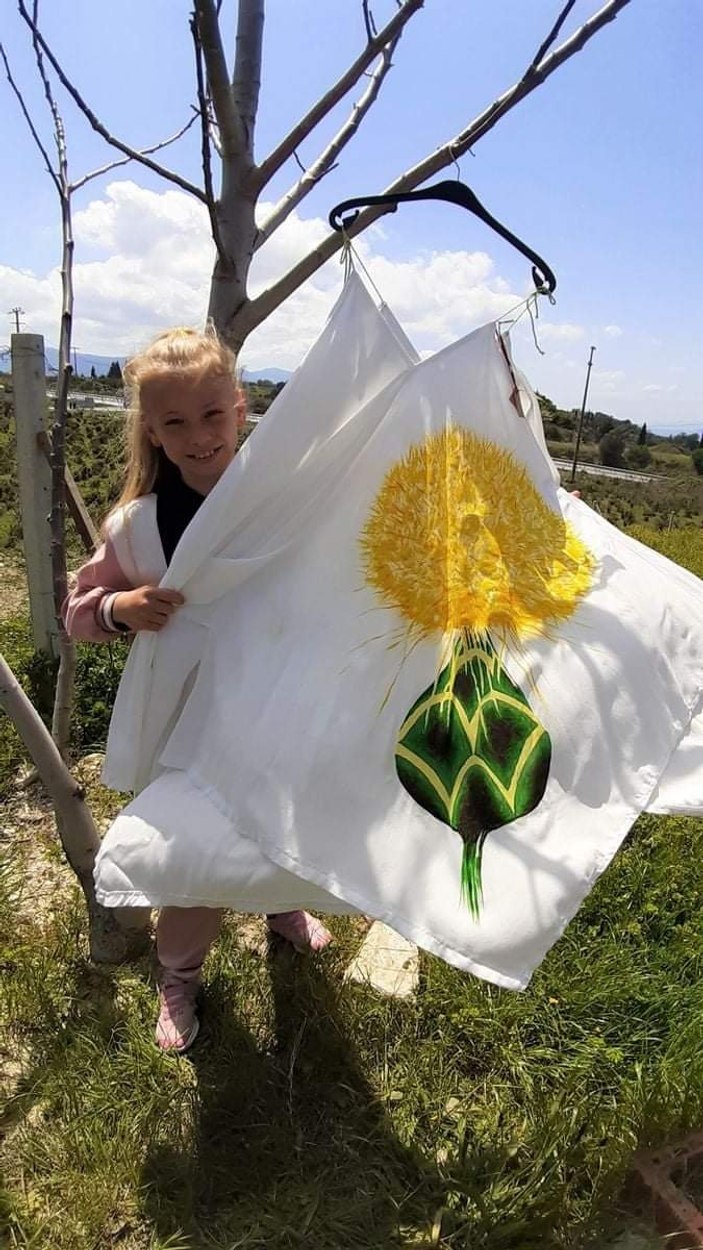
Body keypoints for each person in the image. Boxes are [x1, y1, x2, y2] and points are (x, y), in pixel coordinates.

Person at [63, 327, 332, 1055]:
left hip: (276, 701)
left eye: (212, 415)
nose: (198, 436)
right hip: (182, 720)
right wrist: (120, 609)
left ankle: (278, 910)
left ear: (240, 409)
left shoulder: (285, 496)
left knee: (280, 825)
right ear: (151, 430)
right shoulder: (137, 525)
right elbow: (77, 611)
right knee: (193, 854)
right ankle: (178, 974)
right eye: (175, 422)